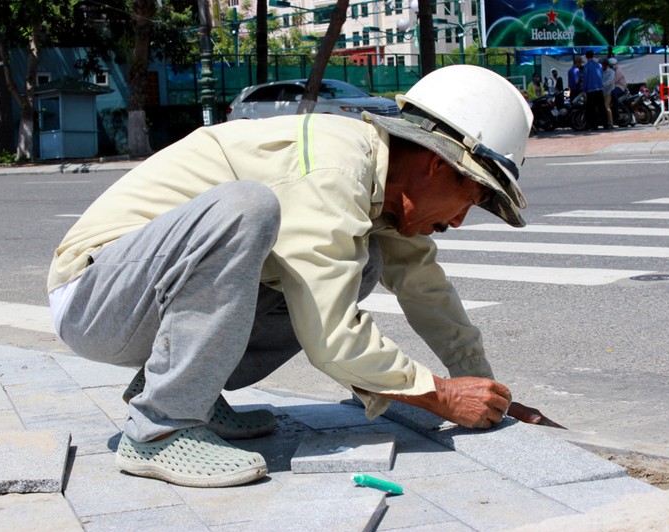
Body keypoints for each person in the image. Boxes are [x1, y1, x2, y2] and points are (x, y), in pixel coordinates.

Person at [48, 65, 557, 489]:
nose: (460, 221)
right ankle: (160, 427)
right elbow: (331, 336)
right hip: (95, 297)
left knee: (366, 263)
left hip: (137, 300)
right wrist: (440, 395)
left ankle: (186, 392)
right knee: (246, 208)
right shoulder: (335, 172)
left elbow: (425, 286)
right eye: (470, 199)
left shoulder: (376, 183)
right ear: (436, 164)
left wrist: (486, 389)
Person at [582, 51, 605, 130]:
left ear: (586, 57)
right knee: (601, 107)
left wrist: (584, 90)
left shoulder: (586, 66)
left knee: (592, 109)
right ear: (593, 55)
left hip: (590, 90)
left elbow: (585, 79)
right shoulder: (599, 65)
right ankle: (605, 124)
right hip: (599, 89)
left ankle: (594, 125)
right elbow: (601, 76)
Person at [601, 58, 615, 129]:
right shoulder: (600, 72)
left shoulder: (611, 72)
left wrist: (602, 84)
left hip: (608, 92)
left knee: (606, 107)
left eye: (602, 64)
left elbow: (609, 81)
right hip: (601, 91)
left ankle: (610, 123)